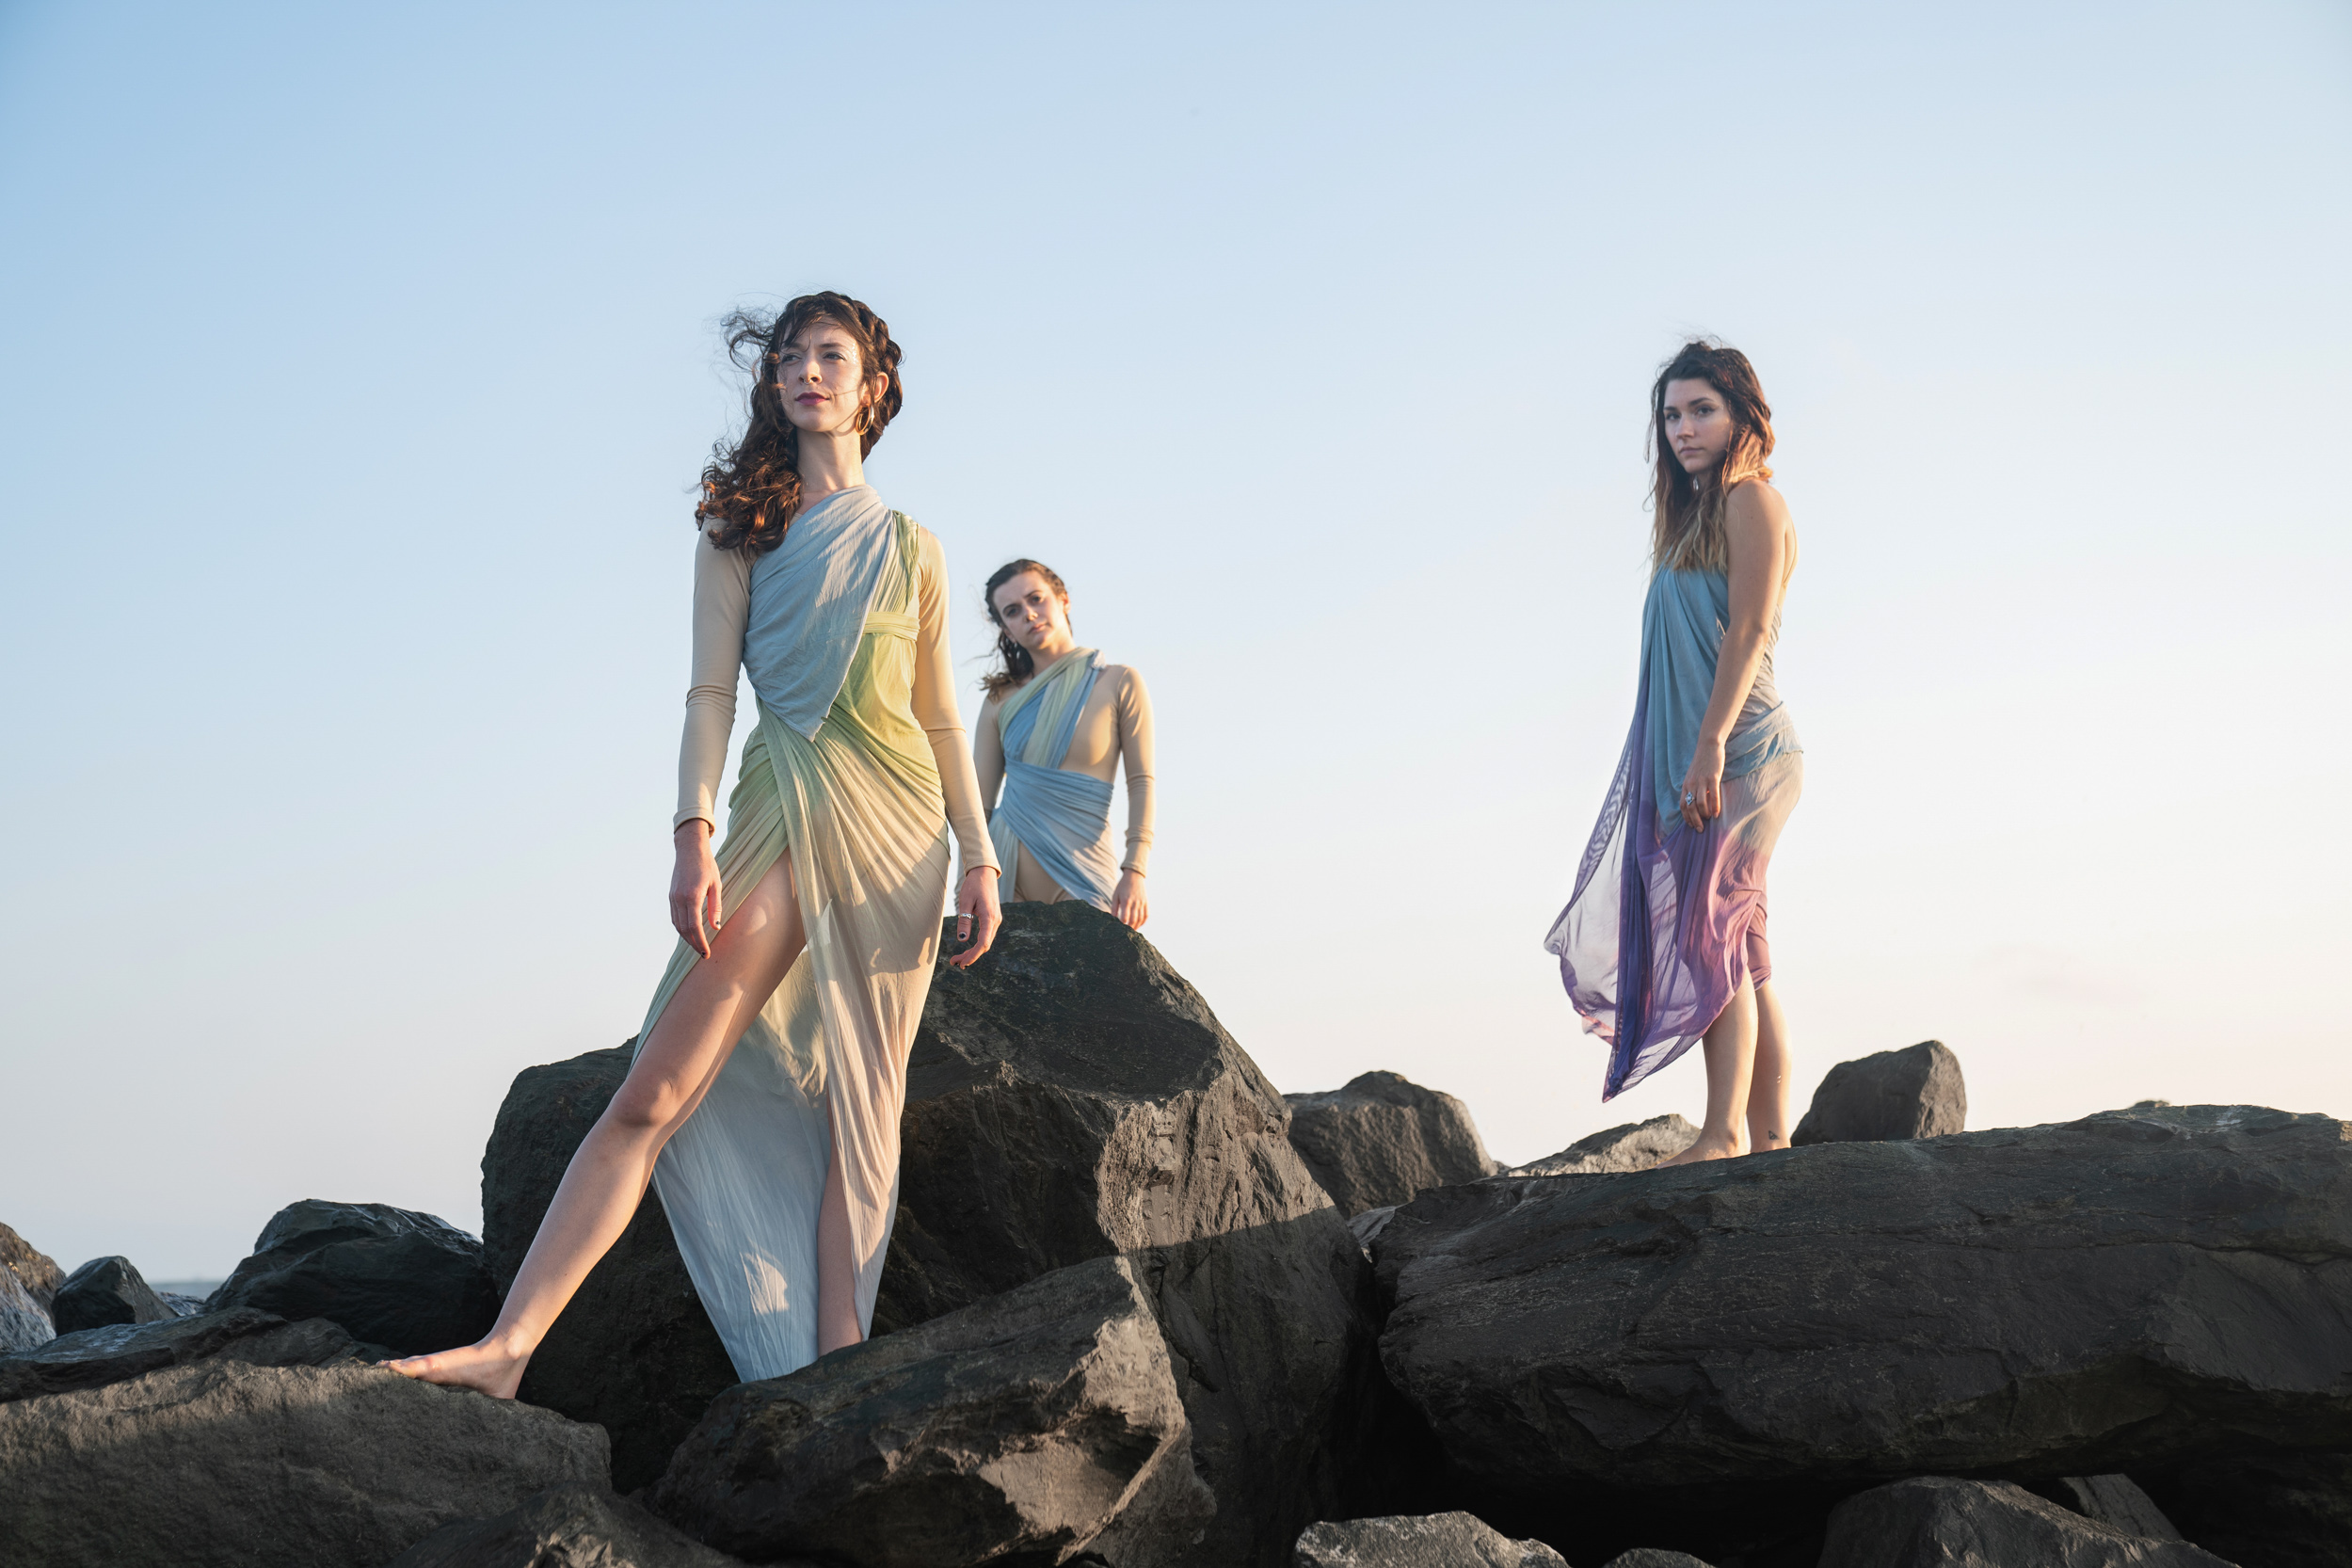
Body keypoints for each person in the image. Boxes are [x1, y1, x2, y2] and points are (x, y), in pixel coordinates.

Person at [388, 292, 1002, 1397]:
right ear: (772, 386)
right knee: (652, 1090)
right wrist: (692, 833)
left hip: (900, 828)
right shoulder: (740, 526)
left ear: (874, 387)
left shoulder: (916, 548)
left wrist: (982, 855)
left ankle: (838, 1386)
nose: (809, 371)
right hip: (780, 799)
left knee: (864, 1115)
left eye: (833, 356)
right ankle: (508, 1347)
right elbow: (709, 693)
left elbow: (943, 715)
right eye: (790, 358)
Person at [1544, 339, 1803, 1162]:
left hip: (1741, 754)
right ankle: (1768, 1141)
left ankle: (1722, 1132)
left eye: (1701, 410)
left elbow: (1750, 631)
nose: (1683, 428)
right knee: (1744, 953)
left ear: (1739, 416)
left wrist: (1709, 748)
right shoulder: (1691, 520)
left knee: (1710, 938)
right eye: (1670, 414)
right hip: (1701, 758)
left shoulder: (1750, 502)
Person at [972, 561, 1155, 928]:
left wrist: (1135, 870)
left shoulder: (1119, 682)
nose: (1029, 614)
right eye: (1013, 611)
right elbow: (978, 804)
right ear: (1005, 627)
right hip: (1005, 868)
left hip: (1086, 868)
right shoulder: (999, 700)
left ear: (1063, 600)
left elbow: (1141, 781)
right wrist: (972, 874)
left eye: (1036, 599)